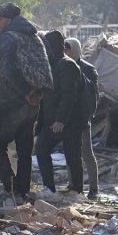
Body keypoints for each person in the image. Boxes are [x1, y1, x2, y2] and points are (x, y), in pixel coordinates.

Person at [0, 3, 53, 202]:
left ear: (7, 20)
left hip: (11, 100)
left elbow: (8, 69)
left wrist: (25, 92)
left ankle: (12, 188)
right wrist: (36, 93)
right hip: (34, 101)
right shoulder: (34, 37)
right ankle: (23, 190)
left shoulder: (8, 37)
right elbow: (46, 66)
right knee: (24, 148)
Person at [34, 29, 86, 194]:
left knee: (73, 157)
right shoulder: (52, 65)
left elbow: (69, 95)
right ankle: (49, 188)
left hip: (68, 122)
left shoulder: (67, 64)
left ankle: (77, 191)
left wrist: (61, 120)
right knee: (41, 149)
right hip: (52, 121)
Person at [63, 37, 101, 198]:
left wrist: (88, 115)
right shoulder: (63, 66)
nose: (65, 52)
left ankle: (94, 188)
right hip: (67, 118)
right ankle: (73, 185)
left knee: (86, 153)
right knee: (70, 152)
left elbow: (93, 96)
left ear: (74, 50)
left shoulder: (88, 69)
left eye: (67, 49)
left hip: (82, 118)